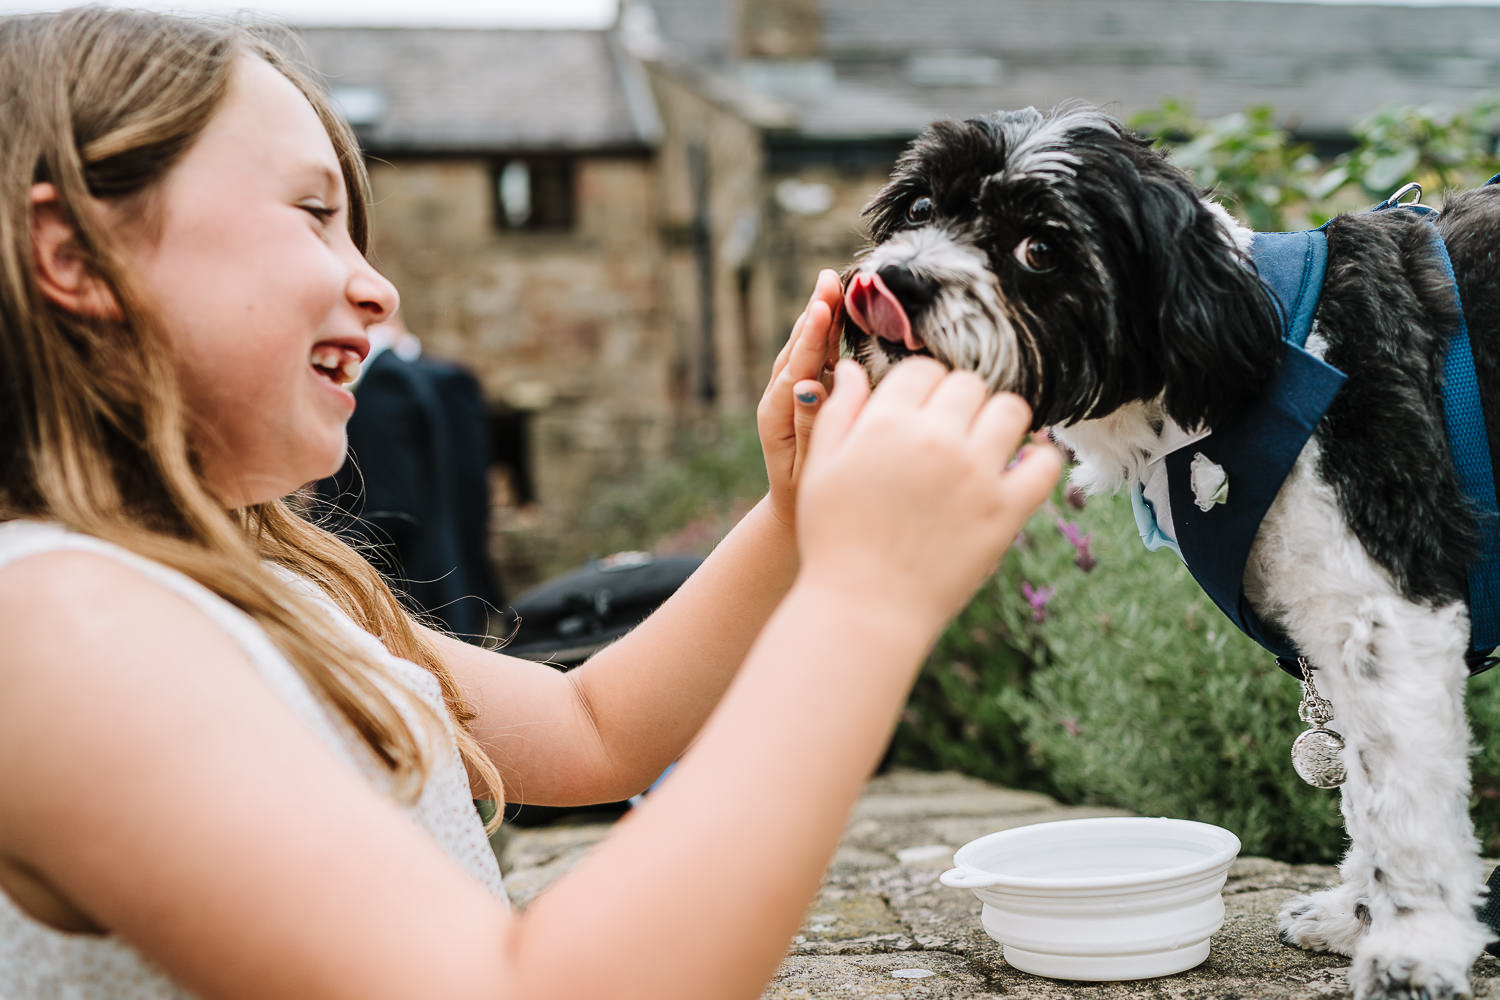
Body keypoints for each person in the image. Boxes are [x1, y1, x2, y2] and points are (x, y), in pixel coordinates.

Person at [0, 7, 1062, 1000]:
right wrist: (865, 603)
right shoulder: (58, 631)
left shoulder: (265, 584)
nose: (379, 289)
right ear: (73, 254)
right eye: (315, 215)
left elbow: (591, 729)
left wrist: (794, 515)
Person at [312, 311, 503, 641]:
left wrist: (316, 557)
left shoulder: (385, 385)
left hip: (407, 590)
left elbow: (390, 508)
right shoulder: (396, 377)